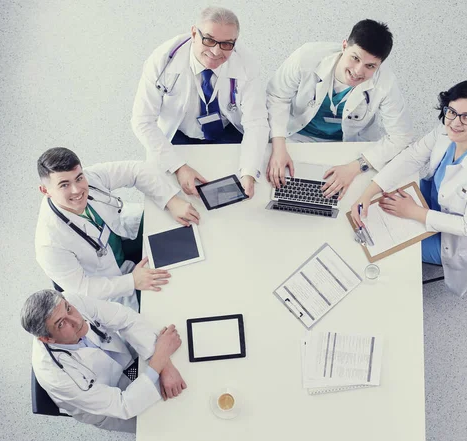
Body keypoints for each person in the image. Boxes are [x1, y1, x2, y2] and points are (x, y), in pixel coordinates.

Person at [351, 80, 467, 296]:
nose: (455, 122)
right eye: (451, 111)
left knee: (380, 245)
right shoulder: (446, 131)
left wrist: (415, 213)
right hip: (436, 200)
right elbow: (414, 155)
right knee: (379, 210)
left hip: (457, 239)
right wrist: (370, 192)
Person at [36, 147, 200, 311]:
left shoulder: (90, 178)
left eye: (79, 178)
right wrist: (132, 281)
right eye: (64, 185)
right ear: (45, 191)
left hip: (123, 235)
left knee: (181, 223)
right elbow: (81, 289)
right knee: (170, 300)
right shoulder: (49, 243)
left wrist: (171, 201)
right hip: (112, 281)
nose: (77, 190)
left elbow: (136, 170)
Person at [266, 19, 414, 199]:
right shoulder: (306, 58)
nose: (359, 71)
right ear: (344, 46)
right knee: (278, 192)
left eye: (370, 66)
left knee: (345, 201)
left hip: (348, 149)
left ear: (379, 65)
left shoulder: (385, 83)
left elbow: (401, 136)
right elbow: (276, 97)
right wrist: (279, 147)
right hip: (294, 138)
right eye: (355, 58)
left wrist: (355, 167)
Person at [131, 6, 269, 199]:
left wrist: (249, 171)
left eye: (226, 44)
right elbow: (142, 121)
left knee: (236, 193)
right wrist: (178, 167)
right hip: (178, 133)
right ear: (194, 33)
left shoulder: (246, 63)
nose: (216, 51)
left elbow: (256, 121)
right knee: (178, 198)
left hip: (225, 131)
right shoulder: (162, 61)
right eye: (209, 40)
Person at [21, 289, 186, 433]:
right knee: (173, 425)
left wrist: (165, 366)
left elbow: (125, 318)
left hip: (126, 360)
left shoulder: (68, 301)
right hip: (109, 408)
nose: (77, 321)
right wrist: (160, 357)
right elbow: (123, 405)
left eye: (69, 310)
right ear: (47, 339)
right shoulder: (57, 377)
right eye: (62, 324)